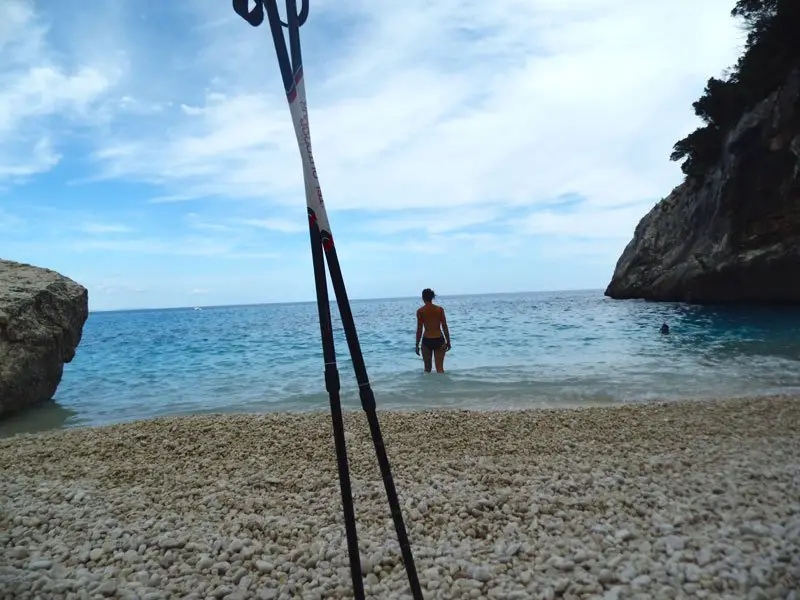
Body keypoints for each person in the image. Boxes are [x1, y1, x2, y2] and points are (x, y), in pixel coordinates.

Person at [415, 288, 451, 373]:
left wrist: (417, 344)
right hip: (439, 339)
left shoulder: (420, 311)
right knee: (440, 369)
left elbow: (419, 329)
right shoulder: (439, 309)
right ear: (432, 298)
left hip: (427, 340)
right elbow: (445, 326)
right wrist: (448, 341)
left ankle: (428, 386)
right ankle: (443, 386)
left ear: (423, 298)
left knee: (427, 370)